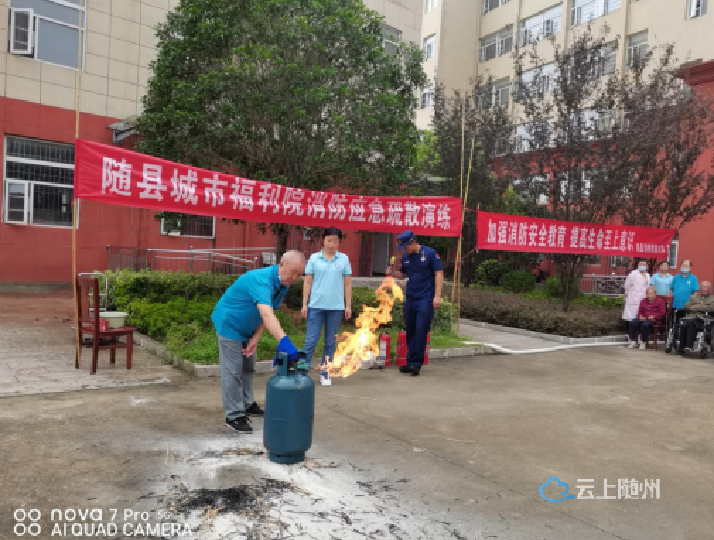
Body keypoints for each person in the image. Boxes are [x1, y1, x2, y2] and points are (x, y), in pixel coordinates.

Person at [212, 251, 306, 433]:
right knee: (233, 371)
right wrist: (284, 341)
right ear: (281, 264)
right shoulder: (261, 280)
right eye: (293, 272)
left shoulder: (283, 284)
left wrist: (255, 337)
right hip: (229, 324)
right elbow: (267, 314)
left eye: (299, 274)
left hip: (248, 328)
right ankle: (234, 416)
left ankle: (247, 404)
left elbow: (268, 312)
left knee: (248, 367)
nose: (295, 278)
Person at [386, 230, 444, 376]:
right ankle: (410, 360)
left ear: (413, 242)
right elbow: (404, 274)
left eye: (406, 246)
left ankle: (416, 364)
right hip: (411, 297)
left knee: (420, 329)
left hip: (425, 298)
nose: (404, 250)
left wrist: (437, 296)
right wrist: (393, 273)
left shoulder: (430, 253)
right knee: (411, 329)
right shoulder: (406, 257)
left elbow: (439, 273)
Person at [302, 227, 352, 387]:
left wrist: (348, 305)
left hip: (336, 307)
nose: (332, 244)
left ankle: (325, 372)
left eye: (335, 241)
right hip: (315, 306)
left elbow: (347, 283)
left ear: (339, 242)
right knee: (311, 340)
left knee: (330, 342)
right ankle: (302, 372)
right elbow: (307, 281)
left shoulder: (343, 259)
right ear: (323, 241)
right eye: (329, 240)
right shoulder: (314, 258)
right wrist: (304, 304)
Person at [677, 281, 714, 354]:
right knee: (684, 324)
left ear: (709, 289)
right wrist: (702, 307)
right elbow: (686, 306)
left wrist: (695, 307)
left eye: (706, 287)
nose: (704, 289)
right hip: (690, 318)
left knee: (691, 323)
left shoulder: (712, 299)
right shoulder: (693, 297)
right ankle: (681, 348)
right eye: (703, 287)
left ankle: (688, 346)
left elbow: (711, 308)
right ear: (700, 288)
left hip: (704, 320)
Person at [623, 259, 650, 340]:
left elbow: (647, 287)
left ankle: (638, 335)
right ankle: (629, 335)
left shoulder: (648, 275)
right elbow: (627, 285)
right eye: (640, 264)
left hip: (643, 299)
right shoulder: (633, 274)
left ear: (647, 266)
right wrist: (629, 295)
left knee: (640, 318)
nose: (642, 266)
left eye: (644, 264)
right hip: (632, 298)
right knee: (630, 317)